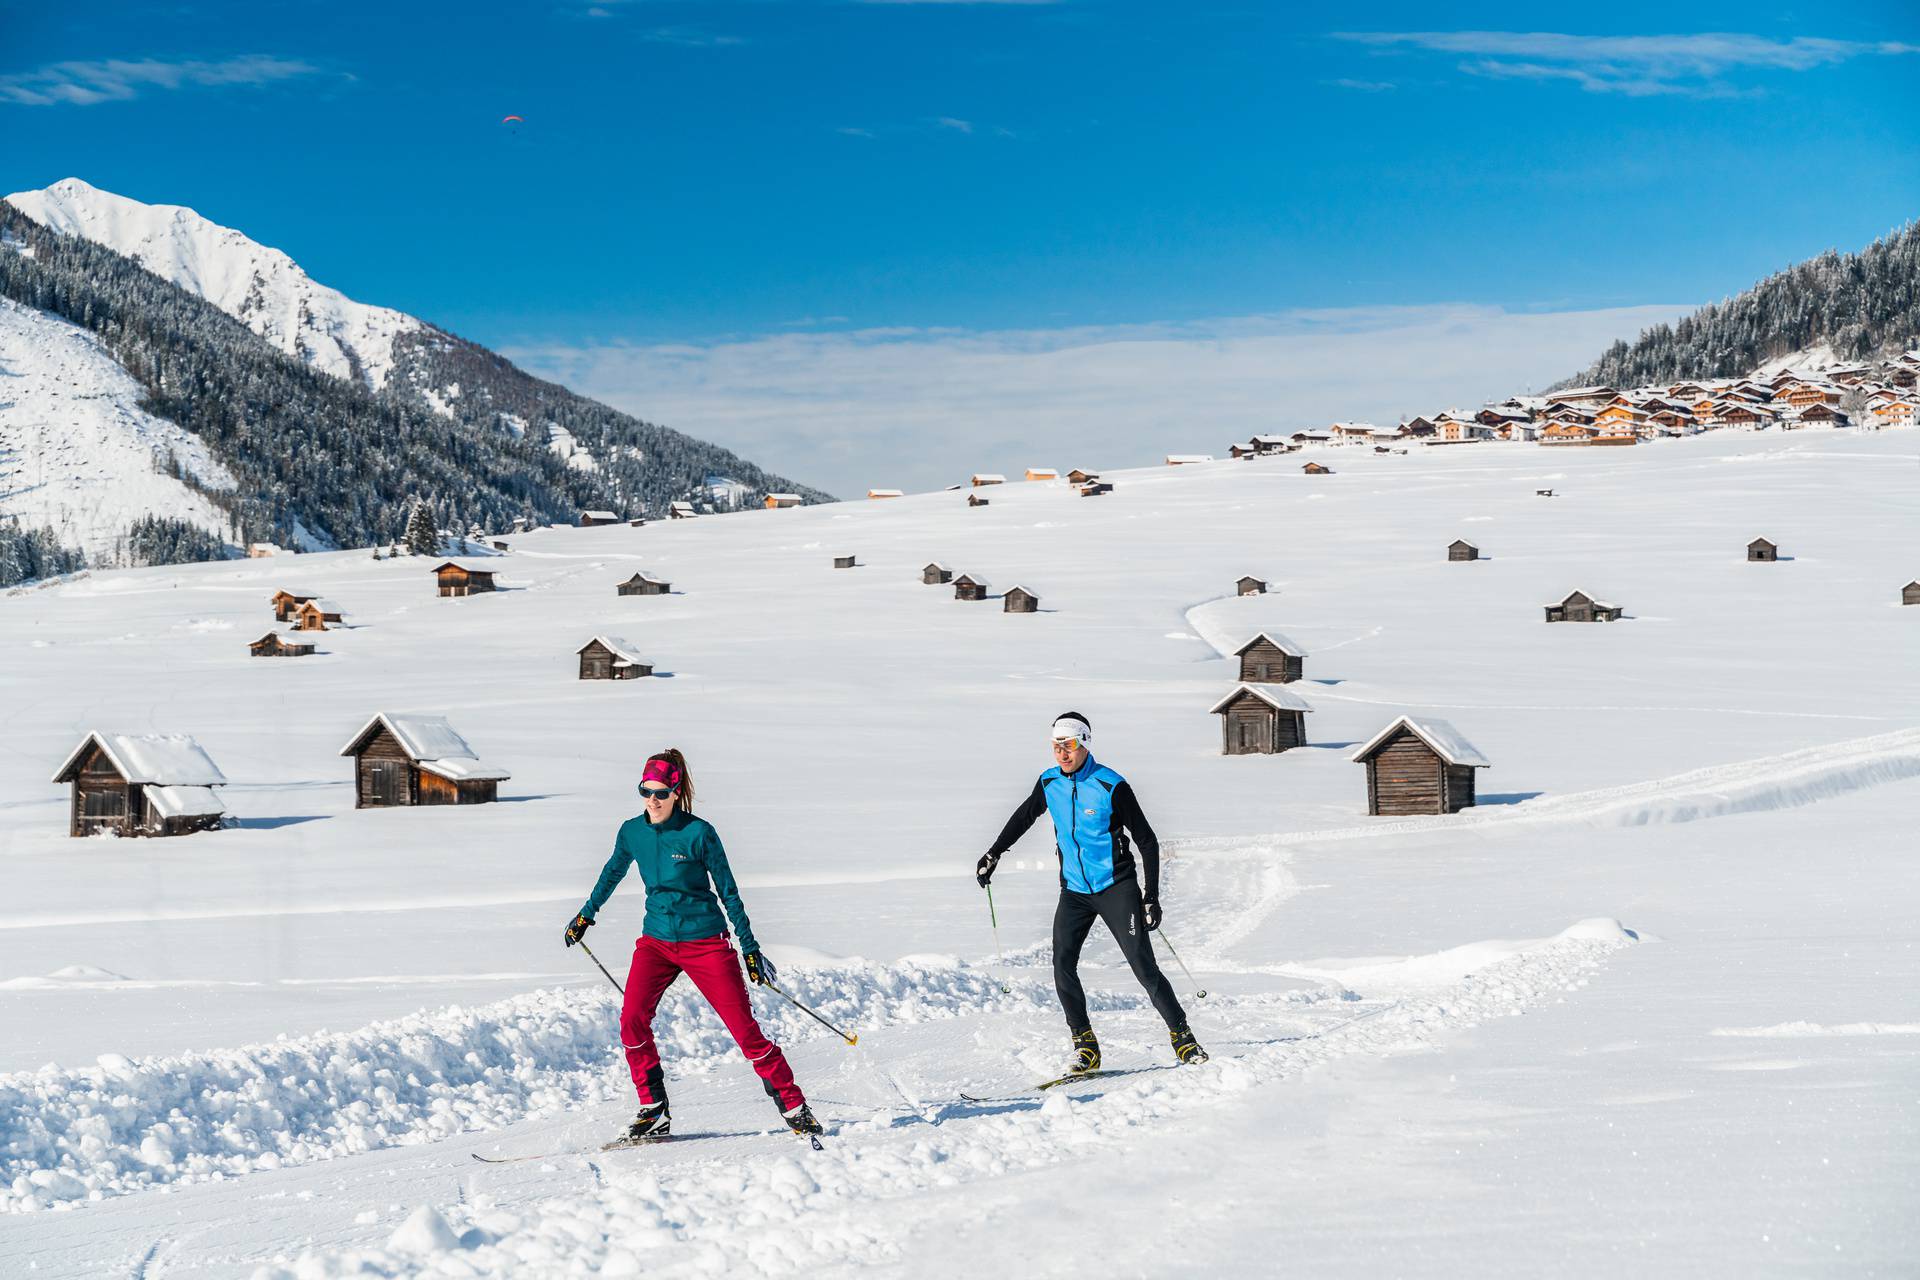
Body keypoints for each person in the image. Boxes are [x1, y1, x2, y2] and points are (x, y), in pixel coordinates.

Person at [565, 748, 822, 1140]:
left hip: (706, 943)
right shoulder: (631, 832)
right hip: (656, 942)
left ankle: (793, 1105)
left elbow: (729, 894)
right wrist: (586, 914)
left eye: (660, 792)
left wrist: (750, 949)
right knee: (632, 1021)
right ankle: (654, 1109)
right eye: (645, 791)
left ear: (675, 791)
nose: (652, 799)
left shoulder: (699, 833)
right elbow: (611, 873)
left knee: (745, 1031)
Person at [976, 712, 1208, 1073]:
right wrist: (993, 853)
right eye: (1056, 746)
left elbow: (1146, 840)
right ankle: (1085, 1046)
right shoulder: (1049, 782)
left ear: (1084, 743)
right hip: (1074, 892)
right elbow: (1024, 817)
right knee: (1062, 964)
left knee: (1143, 967)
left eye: (1068, 746)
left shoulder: (1110, 785)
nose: (1062, 754)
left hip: (1116, 887)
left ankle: (1183, 1038)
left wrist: (1151, 895)